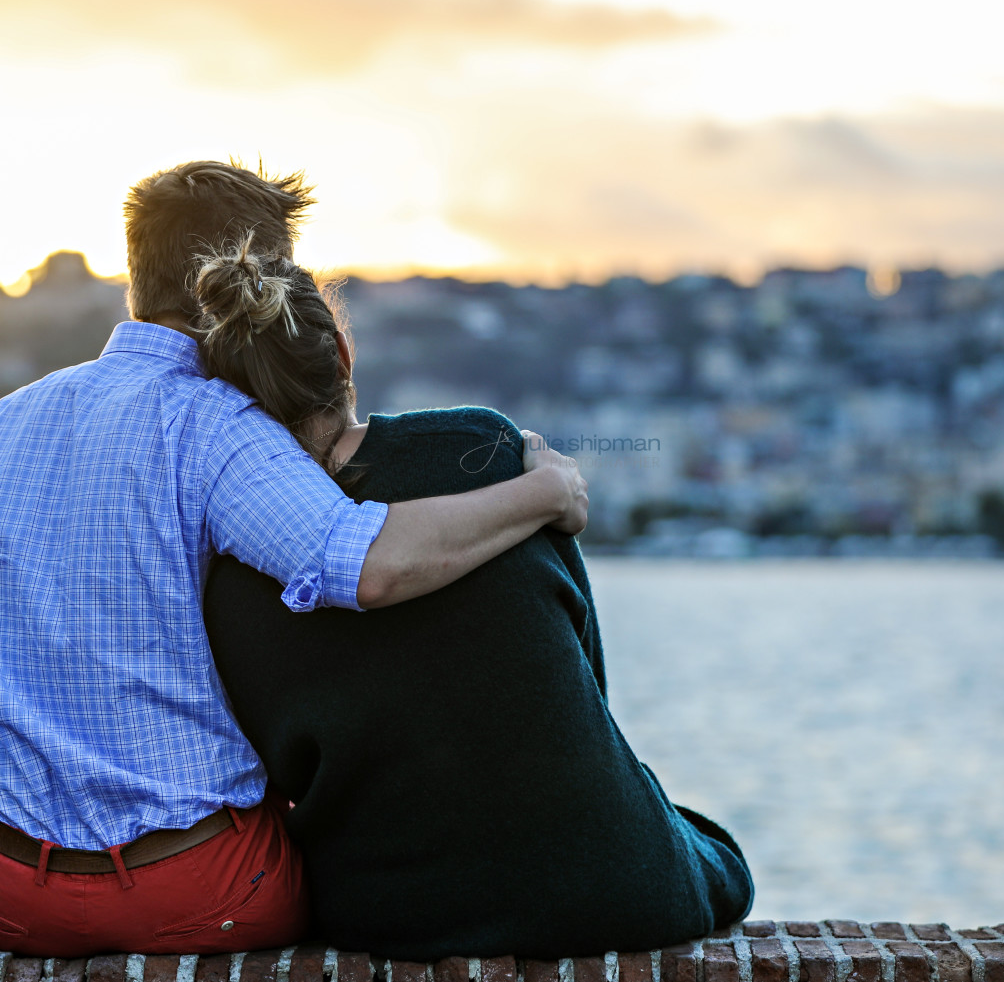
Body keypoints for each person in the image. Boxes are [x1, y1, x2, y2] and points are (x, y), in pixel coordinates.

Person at [0, 161, 587, 957]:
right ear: (250, 276)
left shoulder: (13, 420)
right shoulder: (212, 421)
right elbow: (365, 562)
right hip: (193, 889)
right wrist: (543, 492)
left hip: (14, 892)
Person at [199, 243, 755, 959]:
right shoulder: (481, 448)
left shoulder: (230, 570)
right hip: (615, 885)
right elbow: (586, 680)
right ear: (342, 351)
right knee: (716, 849)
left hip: (391, 912)